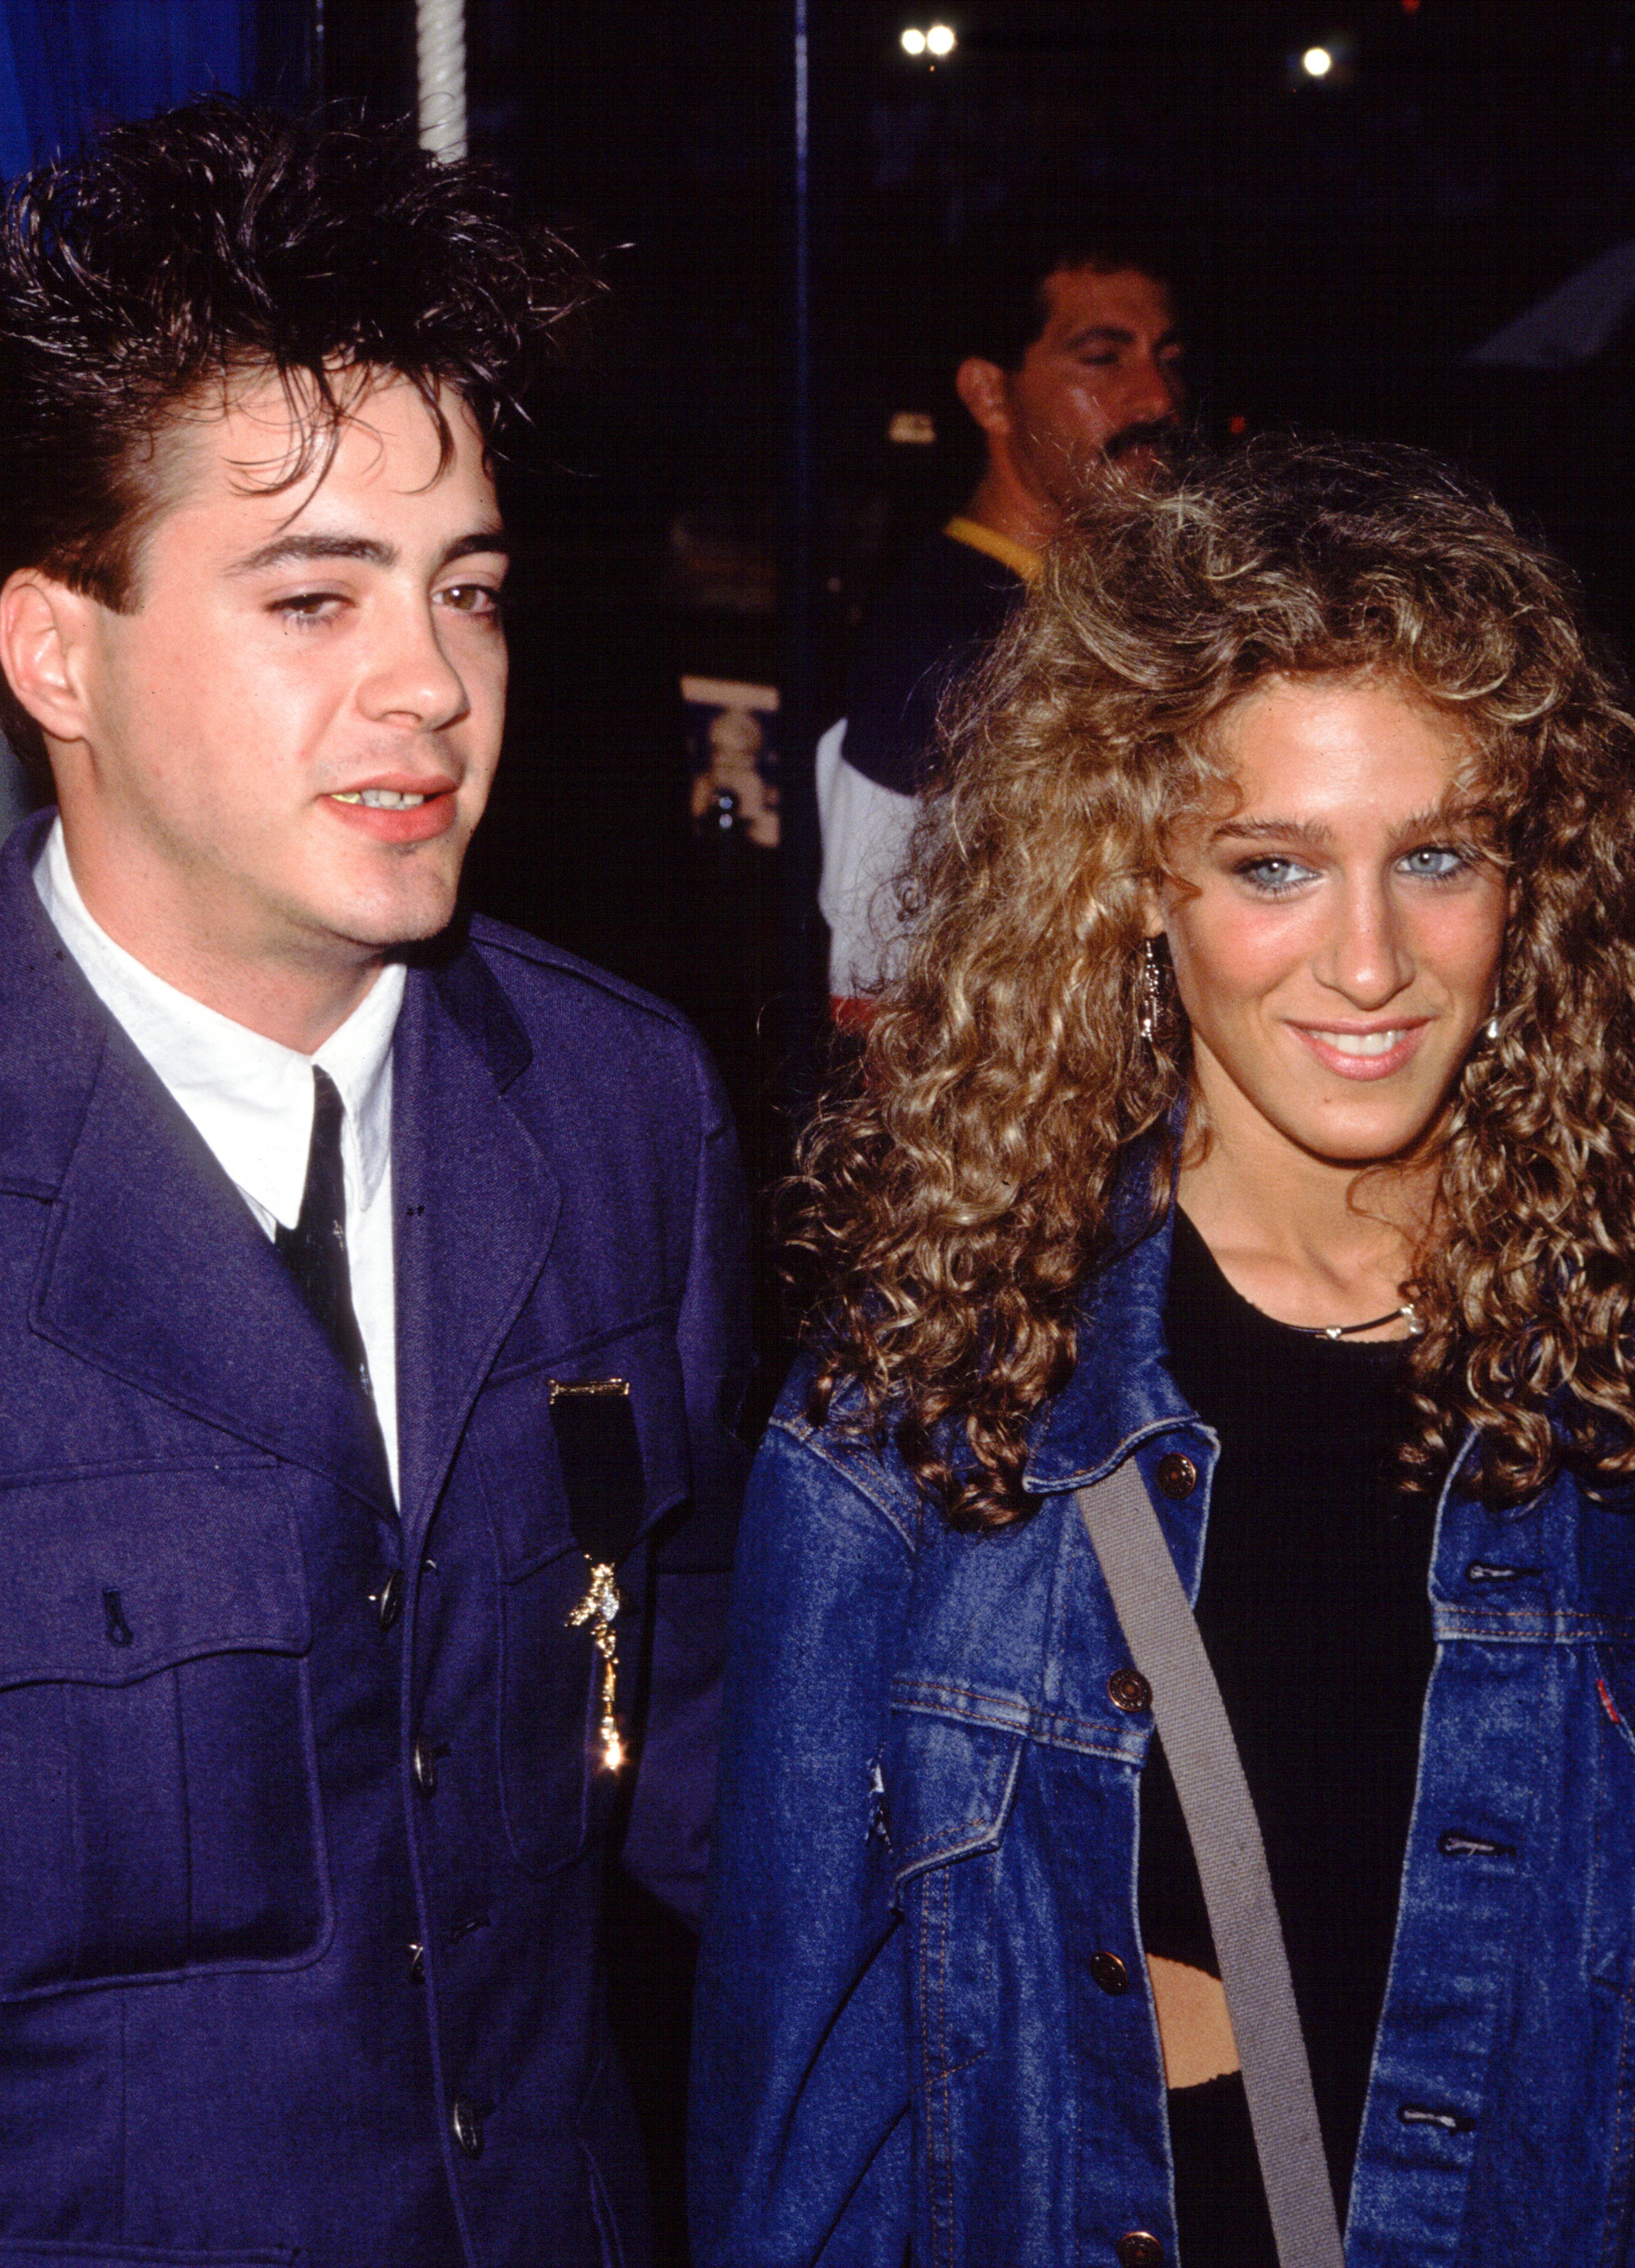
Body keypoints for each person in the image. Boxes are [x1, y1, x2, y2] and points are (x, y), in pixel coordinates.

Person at [693, 438, 1635, 2267]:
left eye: (1436, 855)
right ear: (1135, 879)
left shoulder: (1597, 1376)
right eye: (1273, 864)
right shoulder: (928, 1407)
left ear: (1533, 885)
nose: (1367, 961)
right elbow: (797, 2116)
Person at [0, 101, 749, 2268]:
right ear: (60, 651)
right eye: (312, 595)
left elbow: (690, 1721)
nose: (429, 684)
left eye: (467, 590)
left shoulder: (621, 1111)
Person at [818, 218, 1186, 1017]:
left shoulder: (1131, 610)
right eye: (1103, 359)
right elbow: (870, 997)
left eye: (1167, 359)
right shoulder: (939, 641)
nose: (1156, 398)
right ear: (991, 395)